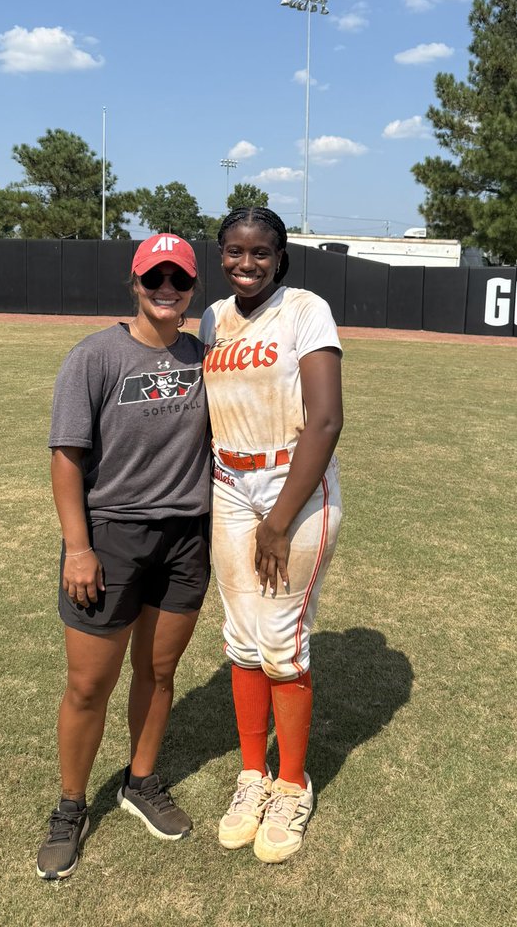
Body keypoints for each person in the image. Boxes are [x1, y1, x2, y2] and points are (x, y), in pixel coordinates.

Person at [36, 233, 211, 881]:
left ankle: (140, 781)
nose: (167, 289)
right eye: (155, 277)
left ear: (194, 286)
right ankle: (70, 806)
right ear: (134, 282)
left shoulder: (203, 357)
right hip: (110, 537)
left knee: (158, 675)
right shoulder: (95, 356)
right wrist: (78, 549)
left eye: (180, 279)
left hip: (186, 538)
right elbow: (66, 457)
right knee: (88, 686)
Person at [199, 206, 343, 863]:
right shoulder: (212, 319)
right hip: (230, 483)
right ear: (221, 254)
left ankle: (292, 784)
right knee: (240, 636)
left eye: (260, 252)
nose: (246, 263)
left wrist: (279, 523)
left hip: (294, 484)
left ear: (279, 256)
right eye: (234, 251)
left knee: (282, 640)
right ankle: (253, 774)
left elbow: (325, 421)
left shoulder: (305, 310)